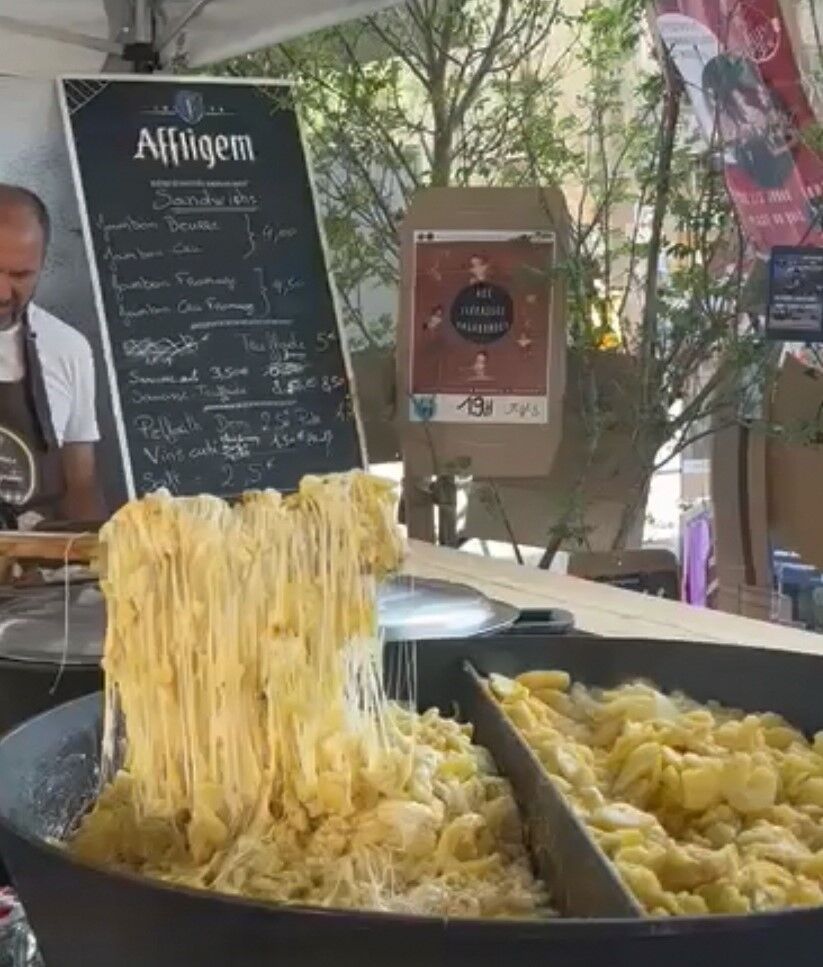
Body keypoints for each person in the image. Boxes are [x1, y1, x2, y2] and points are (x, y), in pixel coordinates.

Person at [0, 184, 104, 524]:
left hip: (33, 571)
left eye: (20, 275)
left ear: (43, 264)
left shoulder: (67, 348)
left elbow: (81, 486)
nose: (3, 292)